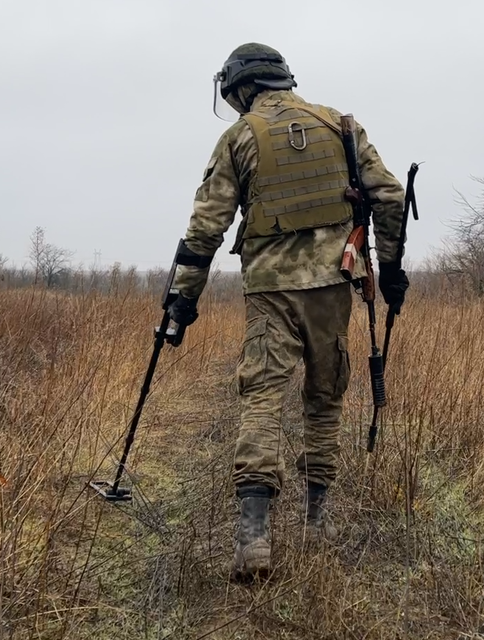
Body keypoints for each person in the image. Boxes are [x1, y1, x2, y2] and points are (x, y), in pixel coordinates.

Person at [166, 43, 409, 580]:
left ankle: (254, 538)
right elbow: (389, 196)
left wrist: (183, 301)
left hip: (271, 289)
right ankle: (316, 525)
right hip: (334, 285)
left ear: (239, 88)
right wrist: (389, 271)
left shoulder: (239, 137)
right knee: (324, 399)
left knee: (262, 399)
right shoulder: (341, 126)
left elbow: (206, 227)